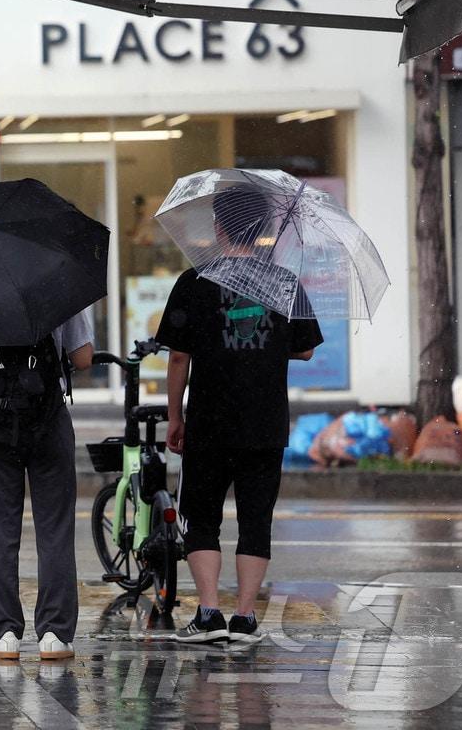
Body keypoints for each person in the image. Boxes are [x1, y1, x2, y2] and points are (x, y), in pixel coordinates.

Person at [157, 185, 322, 646]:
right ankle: (245, 618)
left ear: (218, 227)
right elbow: (305, 348)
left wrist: (175, 416)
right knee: (256, 518)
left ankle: (209, 613)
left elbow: (177, 358)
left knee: (201, 514)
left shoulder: (195, 282)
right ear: (266, 229)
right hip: (265, 422)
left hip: (209, 421)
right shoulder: (285, 282)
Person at [0, 310, 94, 662]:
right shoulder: (57, 280)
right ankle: (55, 635)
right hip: (48, 418)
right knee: (55, 531)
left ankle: (5, 634)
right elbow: (83, 358)